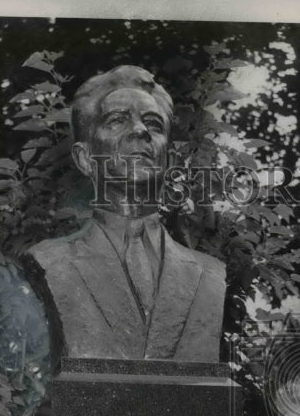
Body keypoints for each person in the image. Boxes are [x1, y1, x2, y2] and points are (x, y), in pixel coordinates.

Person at [22, 65, 225, 365]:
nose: (141, 131)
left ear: (166, 158)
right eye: (117, 120)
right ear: (85, 158)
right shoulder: (52, 262)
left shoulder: (210, 275)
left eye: (153, 124)